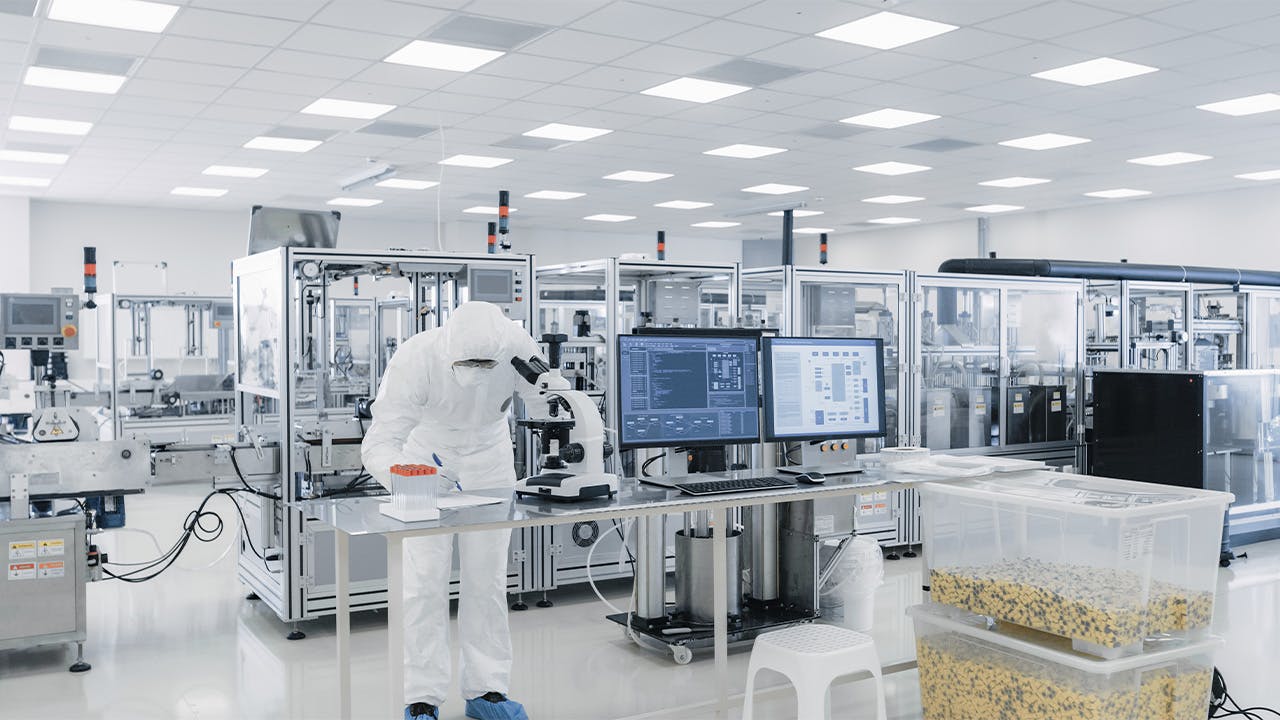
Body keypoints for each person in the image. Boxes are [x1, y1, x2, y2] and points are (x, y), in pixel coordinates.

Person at [362, 301, 544, 720]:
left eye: (486, 362)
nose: (478, 370)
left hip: (491, 461)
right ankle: (421, 696)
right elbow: (379, 441)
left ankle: (487, 690)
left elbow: (548, 407)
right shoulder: (416, 357)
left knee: (488, 581)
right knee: (424, 584)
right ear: (448, 346)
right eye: (469, 362)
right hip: (424, 461)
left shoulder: (517, 347)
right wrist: (405, 474)